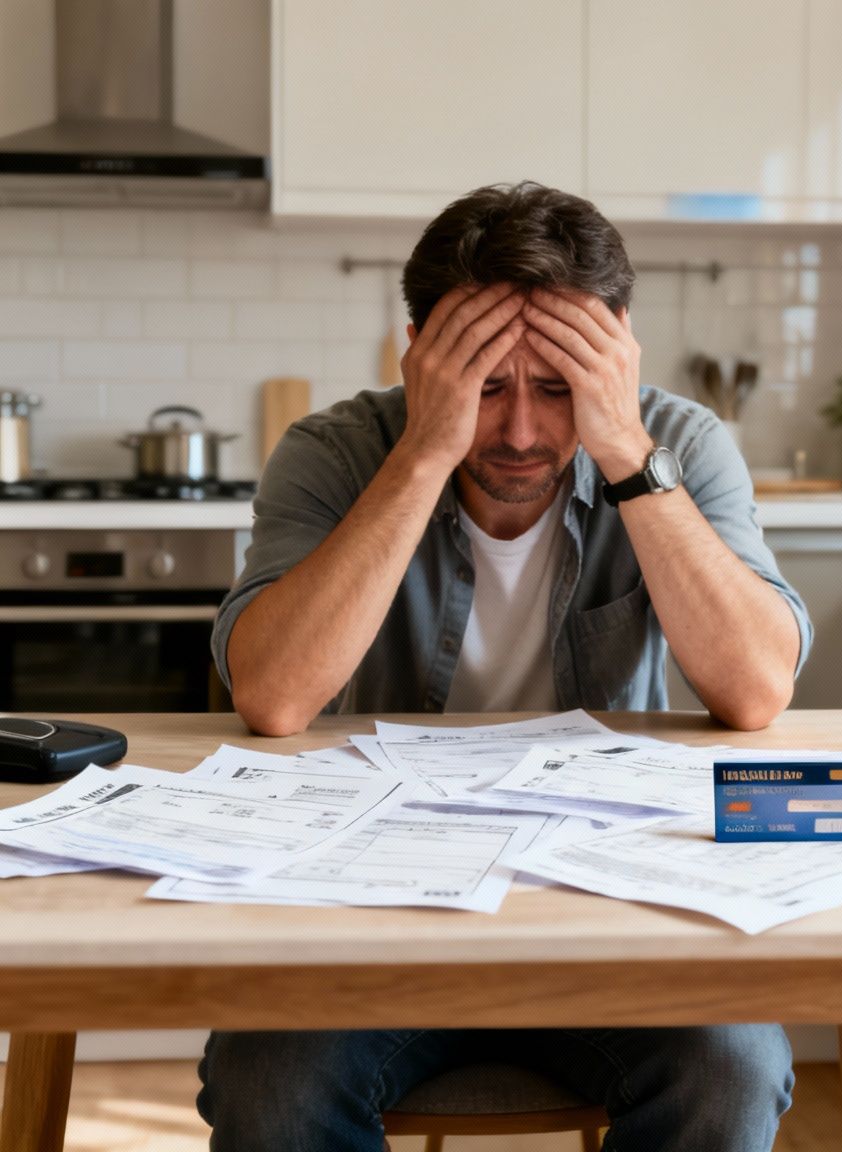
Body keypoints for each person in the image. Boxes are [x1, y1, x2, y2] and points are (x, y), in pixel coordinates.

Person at [197, 182, 805, 1150]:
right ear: (418, 353)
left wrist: (622, 451)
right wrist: (426, 449)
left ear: (616, 354)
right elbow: (272, 699)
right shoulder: (336, 450)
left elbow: (755, 689)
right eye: (484, 386)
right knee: (267, 1082)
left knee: (729, 1068)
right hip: (379, 908)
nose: (520, 434)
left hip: (609, 910)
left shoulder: (677, 443)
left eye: (558, 386)